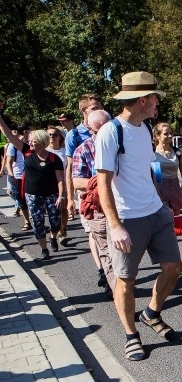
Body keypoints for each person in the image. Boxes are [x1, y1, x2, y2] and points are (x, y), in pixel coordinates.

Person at [95, 71, 182, 362]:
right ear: (144, 99)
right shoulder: (111, 132)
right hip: (126, 219)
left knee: (173, 268)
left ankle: (151, 313)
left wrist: (161, 203)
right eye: (155, 98)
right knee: (126, 280)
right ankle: (131, 335)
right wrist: (116, 226)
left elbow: (145, 172)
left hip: (155, 212)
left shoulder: (145, 129)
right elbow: (103, 183)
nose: (158, 103)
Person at [73, 109, 115, 296]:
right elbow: (76, 182)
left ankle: (121, 286)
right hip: (97, 208)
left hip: (121, 205)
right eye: (97, 130)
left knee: (123, 252)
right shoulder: (82, 150)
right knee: (107, 252)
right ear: (90, 130)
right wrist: (100, 181)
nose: (102, 133)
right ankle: (116, 291)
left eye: (105, 128)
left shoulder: (119, 145)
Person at [21, 130, 65, 259]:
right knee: (37, 221)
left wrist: (61, 196)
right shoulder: (28, 153)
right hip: (33, 195)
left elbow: (60, 180)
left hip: (51, 194)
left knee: (55, 220)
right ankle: (44, 249)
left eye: (33, 141)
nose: (30, 143)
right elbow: (11, 137)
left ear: (41, 142)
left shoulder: (53, 158)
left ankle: (53, 236)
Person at [65, 94, 104, 222]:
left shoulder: (107, 128)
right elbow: (70, 168)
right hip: (87, 187)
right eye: (94, 108)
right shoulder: (74, 135)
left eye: (100, 108)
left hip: (109, 182)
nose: (99, 111)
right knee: (92, 226)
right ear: (83, 110)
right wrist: (70, 199)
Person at [152, 122, 182, 214]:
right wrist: (158, 192)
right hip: (159, 187)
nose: (169, 136)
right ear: (157, 136)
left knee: (176, 219)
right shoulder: (153, 153)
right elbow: (156, 176)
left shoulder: (177, 152)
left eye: (171, 133)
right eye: (165, 134)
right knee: (162, 219)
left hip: (174, 187)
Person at [0, 117, 33, 230]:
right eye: (31, 130)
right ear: (25, 132)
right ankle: (27, 221)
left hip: (32, 177)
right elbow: (8, 162)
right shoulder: (14, 146)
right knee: (21, 200)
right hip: (19, 176)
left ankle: (36, 219)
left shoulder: (33, 144)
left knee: (33, 200)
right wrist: (11, 175)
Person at [46, 126, 69, 244]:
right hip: (49, 185)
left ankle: (62, 230)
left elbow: (69, 168)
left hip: (63, 183)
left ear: (59, 137)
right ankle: (55, 232)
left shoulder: (65, 151)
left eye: (55, 135)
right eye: (49, 135)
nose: (52, 137)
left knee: (64, 209)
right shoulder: (45, 151)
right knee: (54, 211)